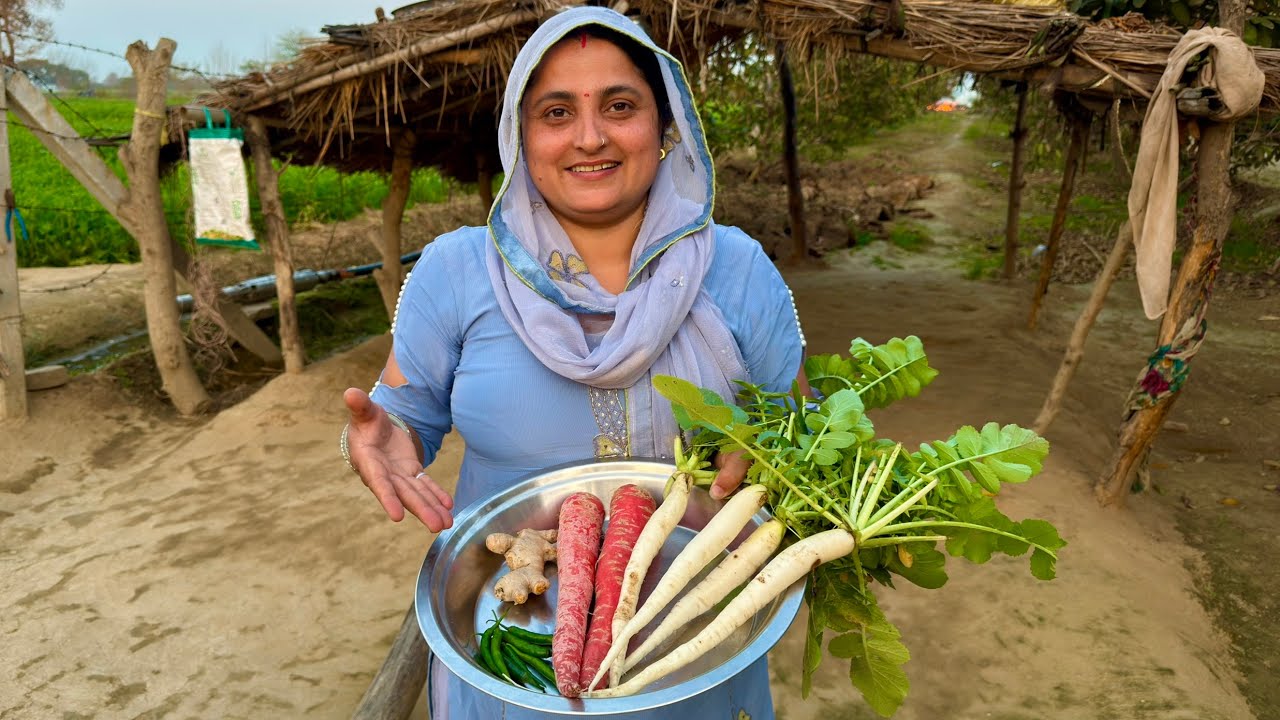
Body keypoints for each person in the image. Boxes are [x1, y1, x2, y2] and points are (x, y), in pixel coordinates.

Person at [340, 6, 806, 719]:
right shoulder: (455, 271)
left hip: (694, 642)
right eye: (557, 112)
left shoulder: (737, 268)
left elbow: (796, 422)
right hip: (509, 652)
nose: (590, 137)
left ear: (666, 122)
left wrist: (777, 454)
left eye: (620, 106)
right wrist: (384, 435)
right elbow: (404, 414)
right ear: (520, 137)